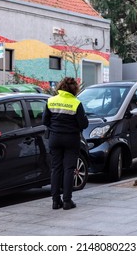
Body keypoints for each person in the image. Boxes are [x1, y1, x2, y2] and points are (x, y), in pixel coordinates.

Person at [43, 77, 89, 210]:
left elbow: (45, 121)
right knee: (69, 169)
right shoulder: (76, 103)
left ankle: (55, 201)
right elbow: (83, 124)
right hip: (71, 139)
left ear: (60, 87)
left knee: (56, 169)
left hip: (55, 138)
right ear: (74, 89)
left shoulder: (51, 101)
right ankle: (67, 201)